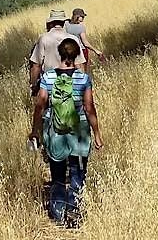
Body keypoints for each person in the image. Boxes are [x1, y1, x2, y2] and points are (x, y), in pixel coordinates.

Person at [30, 37, 103, 228]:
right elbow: (88, 107)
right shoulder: (83, 79)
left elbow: (40, 105)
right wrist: (96, 134)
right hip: (79, 131)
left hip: (56, 132)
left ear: (60, 55)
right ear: (77, 55)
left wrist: (35, 130)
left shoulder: (48, 77)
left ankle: (58, 212)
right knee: (78, 171)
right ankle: (74, 208)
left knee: (58, 173)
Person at [28, 10, 84, 95]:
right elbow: (79, 65)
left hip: (49, 83)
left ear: (50, 23)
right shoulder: (73, 39)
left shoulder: (44, 38)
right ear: (64, 22)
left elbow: (36, 65)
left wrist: (34, 84)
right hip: (70, 83)